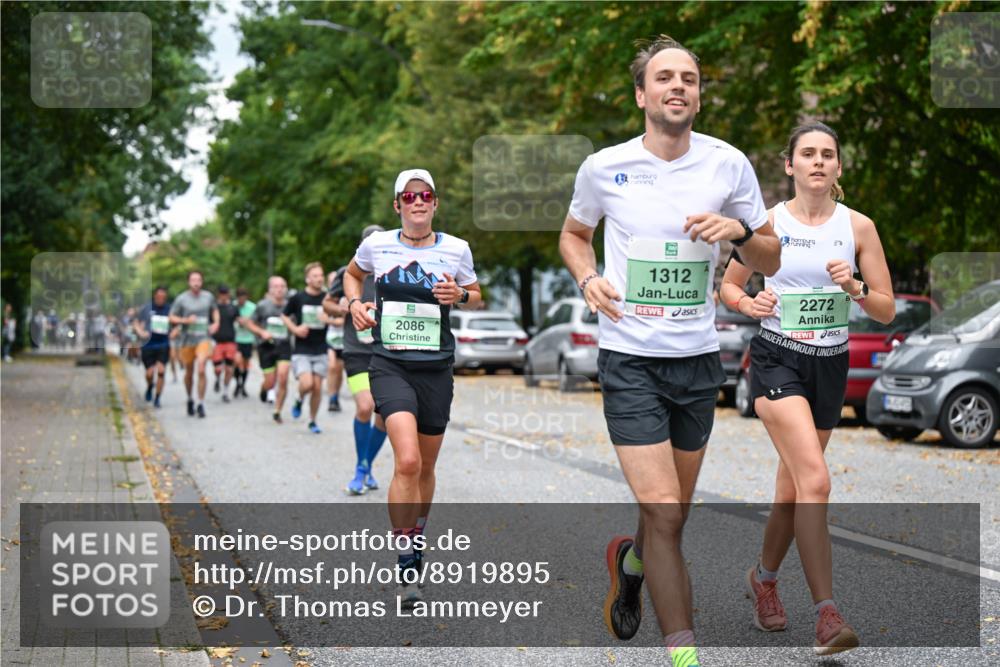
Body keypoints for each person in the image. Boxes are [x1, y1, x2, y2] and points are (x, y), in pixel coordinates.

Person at [558, 36, 781, 667]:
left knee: (671, 516)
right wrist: (588, 275)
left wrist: (739, 232)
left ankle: (629, 564)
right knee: (665, 514)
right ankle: (684, 652)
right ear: (642, 94)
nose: (677, 85)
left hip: (696, 360)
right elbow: (575, 236)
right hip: (629, 358)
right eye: (664, 78)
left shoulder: (727, 165)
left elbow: (771, 254)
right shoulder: (605, 166)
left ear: (699, 95)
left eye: (688, 77)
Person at [720, 121, 894, 656]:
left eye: (828, 154)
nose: (818, 161)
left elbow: (885, 309)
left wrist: (855, 287)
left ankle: (764, 579)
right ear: (790, 165)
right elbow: (729, 285)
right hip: (777, 360)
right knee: (815, 480)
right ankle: (828, 615)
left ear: (839, 167)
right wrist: (750, 304)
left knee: (791, 491)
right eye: (808, 154)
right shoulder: (768, 223)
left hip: (830, 366)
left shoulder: (858, 227)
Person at [344, 170, 481, 606]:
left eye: (426, 195)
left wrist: (458, 295)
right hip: (389, 364)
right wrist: (354, 305)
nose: (418, 201)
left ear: (435, 204)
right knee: (406, 461)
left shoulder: (456, 248)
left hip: (436, 368)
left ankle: (416, 537)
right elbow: (352, 275)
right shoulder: (377, 245)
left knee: (425, 468)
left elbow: (477, 293)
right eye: (409, 195)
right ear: (397, 205)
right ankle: (406, 559)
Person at [324, 225, 388, 495]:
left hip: (387, 351)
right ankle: (362, 468)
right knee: (365, 407)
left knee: (384, 416)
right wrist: (342, 306)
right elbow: (327, 302)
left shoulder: (393, 272)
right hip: (357, 350)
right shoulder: (348, 272)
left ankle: (365, 466)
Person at [283, 262, 331, 434]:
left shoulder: (327, 297)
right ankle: (299, 398)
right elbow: (284, 316)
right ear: (307, 279)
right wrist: (295, 329)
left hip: (321, 348)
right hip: (302, 349)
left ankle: (312, 420)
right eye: (315, 276)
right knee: (307, 383)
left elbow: (340, 317)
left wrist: (329, 320)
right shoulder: (298, 298)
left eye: (321, 275)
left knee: (317, 387)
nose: (319, 278)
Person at [168, 270, 219, 418]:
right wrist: (185, 321)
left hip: (203, 337)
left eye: (198, 280)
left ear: (202, 282)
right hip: (187, 339)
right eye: (193, 280)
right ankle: (190, 398)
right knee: (189, 373)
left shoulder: (208, 297)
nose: (196, 282)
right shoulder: (181, 299)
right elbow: (172, 317)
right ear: (189, 282)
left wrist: (216, 323)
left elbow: (215, 311)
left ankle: (201, 403)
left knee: (202, 368)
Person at [243, 276, 292, 424]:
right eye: (276, 286)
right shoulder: (263, 305)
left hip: (284, 345)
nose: (279, 289)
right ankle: (265, 389)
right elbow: (249, 323)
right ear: (270, 290)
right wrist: (262, 332)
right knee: (270, 382)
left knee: (283, 378)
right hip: (266, 346)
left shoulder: (290, 306)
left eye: (282, 286)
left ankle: (277, 410)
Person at [133, 287, 172, 408]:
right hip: (148, 344)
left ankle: (157, 398)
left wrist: (175, 332)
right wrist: (140, 332)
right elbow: (136, 323)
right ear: (154, 296)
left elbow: (177, 325)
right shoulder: (146, 308)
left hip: (163, 344)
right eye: (158, 296)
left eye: (163, 297)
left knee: (161, 371)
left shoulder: (169, 309)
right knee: (149, 373)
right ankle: (150, 386)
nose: (161, 299)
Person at [211, 285, 240, 403]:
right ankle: (217, 378)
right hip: (217, 341)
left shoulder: (233, 307)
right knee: (218, 368)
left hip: (230, 340)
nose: (224, 296)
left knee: (229, 368)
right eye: (221, 294)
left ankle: (225, 391)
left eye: (225, 294)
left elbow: (238, 320)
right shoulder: (214, 308)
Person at [325, 270, 346, 413]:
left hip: (344, 340)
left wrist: (329, 320)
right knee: (332, 367)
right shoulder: (326, 298)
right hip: (330, 339)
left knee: (339, 371)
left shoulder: (346, 297)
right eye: (331, 281)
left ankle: (335, 396)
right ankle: (331, 397)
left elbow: (342, 321)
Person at [233, 287, 256, 399]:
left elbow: (255, 321)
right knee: (237, 362)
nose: (242, 300)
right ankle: (237, 383)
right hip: (236, 338)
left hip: (248, 338)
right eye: (240, 298)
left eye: (244, 298)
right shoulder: (233, 306)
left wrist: (246, 321)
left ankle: (243, 385)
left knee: (246, 363)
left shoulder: (252, 307)